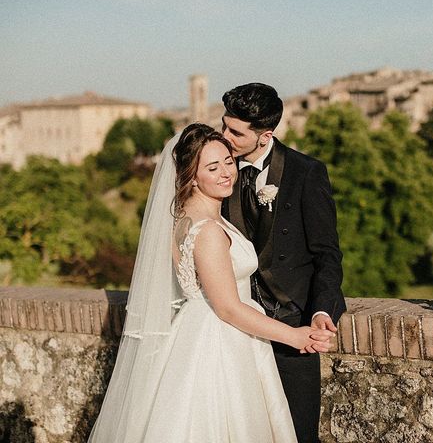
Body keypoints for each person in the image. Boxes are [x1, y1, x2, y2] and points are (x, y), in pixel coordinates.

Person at [88, 124, 335, 442]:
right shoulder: (208, 232)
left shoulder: (183, 218)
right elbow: (229, 309)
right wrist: (295, 336)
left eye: (228, 162)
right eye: (212, 167)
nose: (226, 173)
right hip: (222, 341)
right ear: (191, 175)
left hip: (199, 330)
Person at [221, 83, 346, 443]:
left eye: (235, 132)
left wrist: (322, 310)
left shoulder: (306, 173)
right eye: (224, 125)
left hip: (294, 328)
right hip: (235, 329)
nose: (224, 136)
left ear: (266, 136)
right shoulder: (216, 173)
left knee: (298, 432)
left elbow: (327, 253)